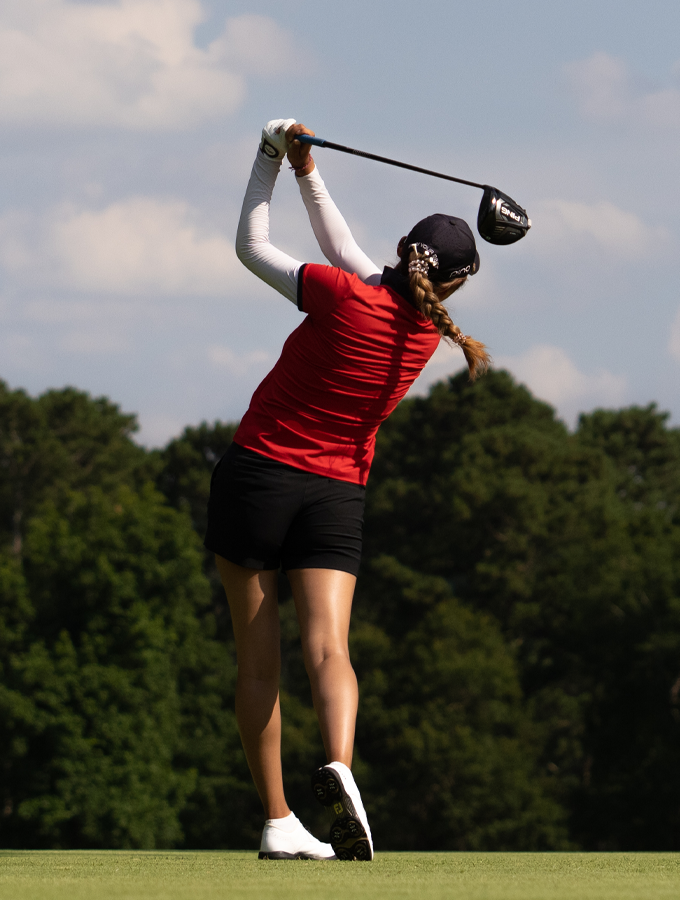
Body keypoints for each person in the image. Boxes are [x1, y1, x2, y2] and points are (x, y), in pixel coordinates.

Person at [205, 118, 490, 861]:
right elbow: (345, 251)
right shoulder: (426, 334)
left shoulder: (341, 296)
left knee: (258, 662)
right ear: (454, 283)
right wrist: (306, 171)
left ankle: (278, 819)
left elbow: (252, 248)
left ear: (402, 250)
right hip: (335, 493)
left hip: (257, 476)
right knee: (330, 648)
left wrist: (267, 157)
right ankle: (340, 765)